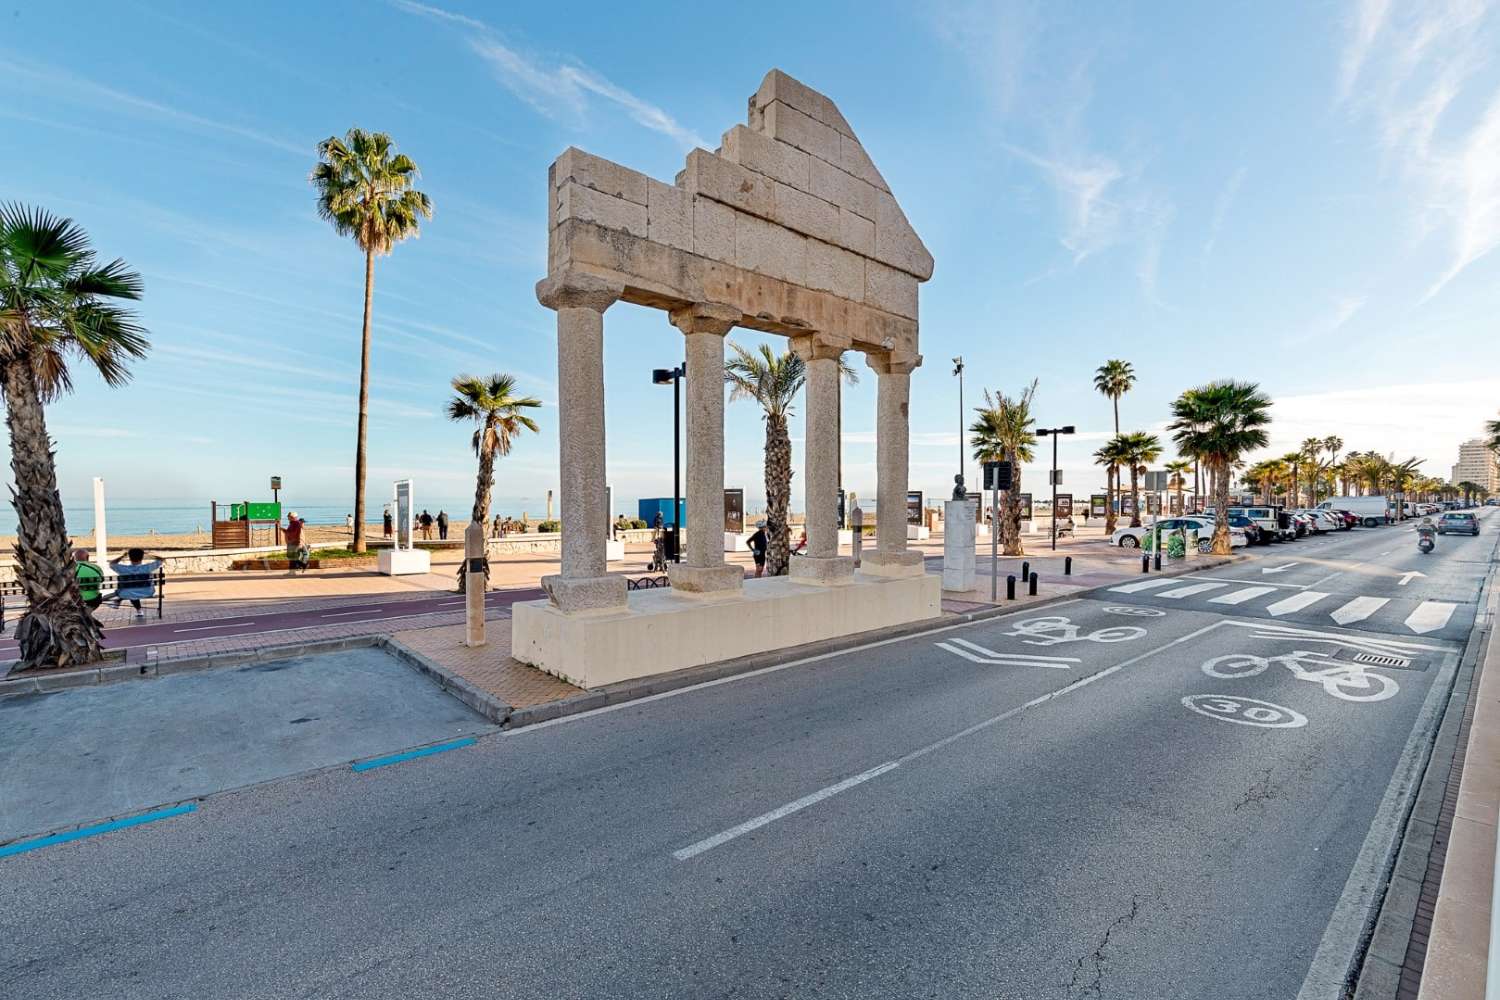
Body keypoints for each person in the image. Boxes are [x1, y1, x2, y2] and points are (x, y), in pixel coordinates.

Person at [108, 548, 162, 621]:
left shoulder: (123, 569)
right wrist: (149, 555)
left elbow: (111, 564)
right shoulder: (147, 567)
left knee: (130, 591)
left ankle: (118, 602)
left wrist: (122, 557)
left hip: (126, 593)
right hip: (147, 592)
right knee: (133, 591)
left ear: (130, 558)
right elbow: (161, 560)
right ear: (142, 557)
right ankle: (138, 611)